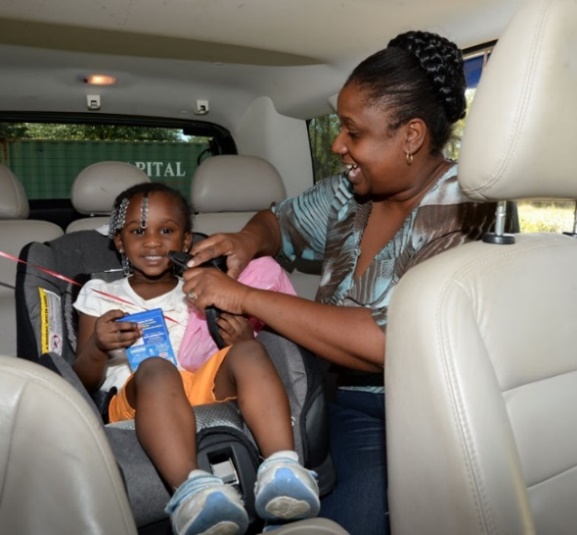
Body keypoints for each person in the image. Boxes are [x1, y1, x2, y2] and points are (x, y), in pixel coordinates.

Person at [180, 31, 498, 535]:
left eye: (353, 131)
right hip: (316, 388)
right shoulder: (349, 193)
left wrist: (242, 295)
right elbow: (279, 221)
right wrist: (245, 241)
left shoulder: (469, 209)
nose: (337, 145)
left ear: (411, 136)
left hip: (398, 409)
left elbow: (388, 343)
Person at [72, 182, 320, 535]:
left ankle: (282, 470)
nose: (154, 241)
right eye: (138, 231)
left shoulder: (205, 285)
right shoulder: (99, 293)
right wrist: (98, 346)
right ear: (119, 242)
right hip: (137, 395)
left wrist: (240, 337)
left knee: (249, 349)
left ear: (186, 242)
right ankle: (194, 492)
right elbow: (81, 379)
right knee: (156, 367)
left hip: (199, 383)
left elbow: (212, 351)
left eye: (167, 231)